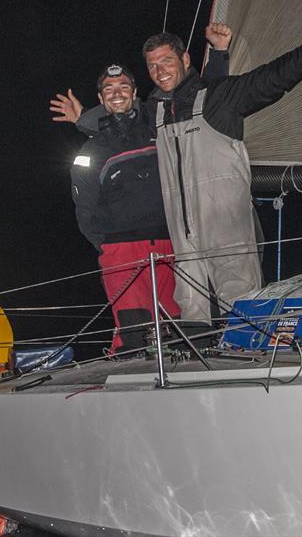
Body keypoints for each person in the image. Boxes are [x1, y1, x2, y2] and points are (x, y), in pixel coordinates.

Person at [142, 6, 302, 323]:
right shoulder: (157, 113)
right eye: (152, 66)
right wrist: (84, 119)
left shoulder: (221, 98)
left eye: (166, 61)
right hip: (184, 242)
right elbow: (123, 120)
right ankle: (192, 365)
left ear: (185, 60)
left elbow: (274, 78)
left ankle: (247, 355)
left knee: (240, 305)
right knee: (190, 309)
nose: (160, 70)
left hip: (228, 230)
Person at [50, 25, 232, 354]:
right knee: (133, 334)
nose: (117, 93)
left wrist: (219, 56)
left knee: (181, 327)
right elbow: (85, 209)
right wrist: (108, 247)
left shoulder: (158, 122)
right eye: (108, 89)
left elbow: (201, 101)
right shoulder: (89, 151)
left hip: (171, 242)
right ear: (100, 99)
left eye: (124, 86)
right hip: (121, 251)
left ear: (136, 93)